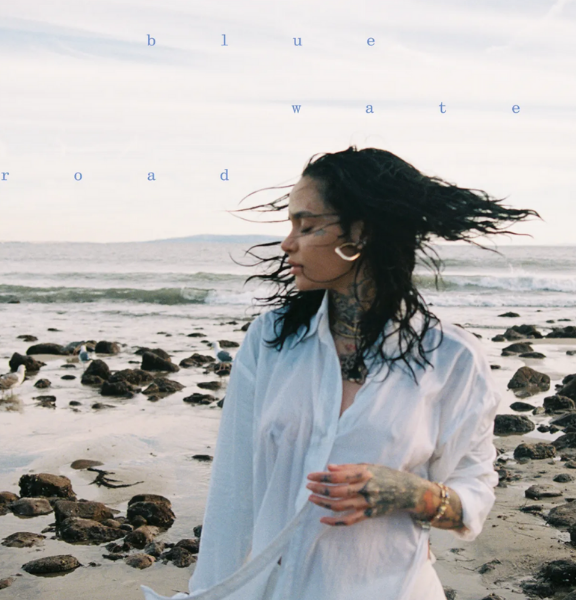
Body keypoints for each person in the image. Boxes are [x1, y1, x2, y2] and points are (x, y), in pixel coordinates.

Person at [142, 146, 540, 600]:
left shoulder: (451, 359)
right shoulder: (271, 342)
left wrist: (412, 493)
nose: (287, 243)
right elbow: (233, 492)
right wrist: (208, 591)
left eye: (306, 225)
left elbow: (474, 490)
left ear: (359, 234)